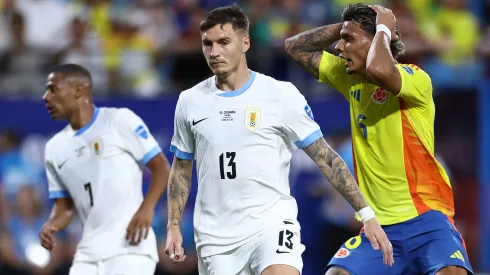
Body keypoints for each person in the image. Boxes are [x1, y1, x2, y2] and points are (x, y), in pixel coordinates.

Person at [164, 4, 393, 275]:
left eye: (224, 42)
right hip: (216, 236)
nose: (214, 52)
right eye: (208, 44)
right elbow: (181, 168)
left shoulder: (280, 94)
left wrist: (366, 215)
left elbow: (325, 157)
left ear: (245, 42)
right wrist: (174, 225)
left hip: (271, 224)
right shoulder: (190, 101)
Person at [285, 3, 473, 275]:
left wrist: (383, 28)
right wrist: (346, 27)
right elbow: (295, 47)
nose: (339, 47)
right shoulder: (350, 79)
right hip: (378, 227)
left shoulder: (416, 80)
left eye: (348, 40)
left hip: (427, 221)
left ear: (376, 42)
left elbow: (381, 70)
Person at [39, 64, 170, 275]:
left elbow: (162, 168)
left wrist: (147, 208)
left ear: (78, 90)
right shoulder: (54, 148)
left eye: (53, 89)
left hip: (130, 248)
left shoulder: (118, 120)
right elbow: (64, 208)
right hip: (88, 254)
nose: (46, 97)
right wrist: (52, 224)